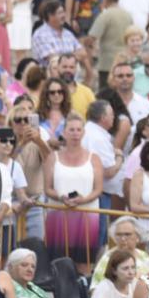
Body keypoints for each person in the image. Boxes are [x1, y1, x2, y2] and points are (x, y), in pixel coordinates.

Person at [43, 114, 103, 274]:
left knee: (84, 262)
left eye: (78, 130)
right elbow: (47, 188)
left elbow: (98, 189)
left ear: (83, 133)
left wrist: (82, 200)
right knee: (58, 262)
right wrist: (62, 197)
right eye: (71, 130)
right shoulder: (52, 157)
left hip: (87, 216)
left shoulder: (94, 158)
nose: (75, 133)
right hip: (58, 216)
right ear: (64, 132)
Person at [89, 215, 149, 289]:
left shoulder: (144, 256)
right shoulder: (108, 258)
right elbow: (95, 288)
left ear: (137, 237)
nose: (123, 238)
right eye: (119, 235)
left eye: (127, 234)